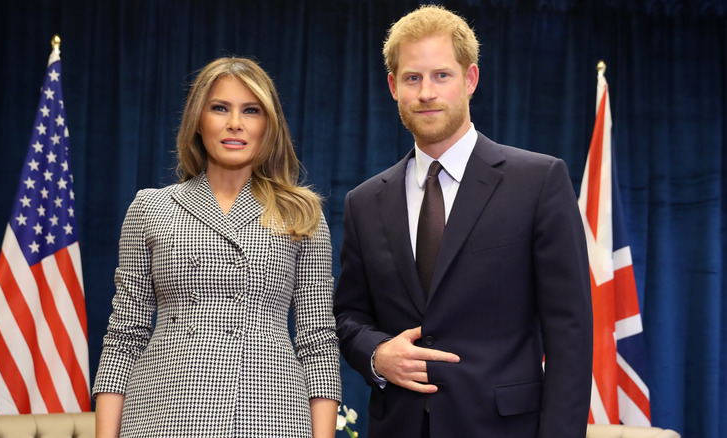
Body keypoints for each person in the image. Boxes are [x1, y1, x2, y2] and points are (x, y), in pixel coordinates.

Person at [333, 5, 592, 437]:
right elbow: (350, 315)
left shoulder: (538, 180)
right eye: (413, 78)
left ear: (470, 79)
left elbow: (570, 332)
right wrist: (377, 354)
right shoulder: (364, 201)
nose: (426, 93)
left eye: (441, 76)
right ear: (394, 86)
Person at [92, 57, 341, 438]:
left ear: (268, 125)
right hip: (163, 411)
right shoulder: (150, 207)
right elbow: (125, 335)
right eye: (220, 108)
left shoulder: (302, 214)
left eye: (251, 111)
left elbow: (318, 341)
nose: (235, 123)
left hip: (270, 413)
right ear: (198, 120)